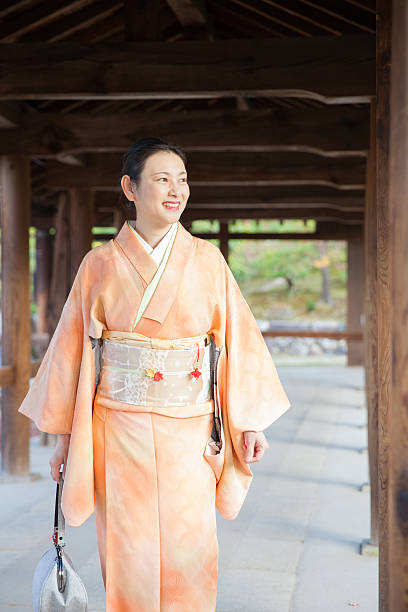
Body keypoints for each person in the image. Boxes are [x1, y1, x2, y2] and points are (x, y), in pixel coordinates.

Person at [18, 137, 291, 611]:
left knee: (193, 545)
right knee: (128, 551)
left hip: (189, 430)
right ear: (130, 187)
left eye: (182, 179)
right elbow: (72, 354)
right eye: (162, 178)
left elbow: (238, 343)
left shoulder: (207, 261)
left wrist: (250, 422)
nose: (175, 190)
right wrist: (66, 439)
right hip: (117, 430)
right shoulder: (98, 265)